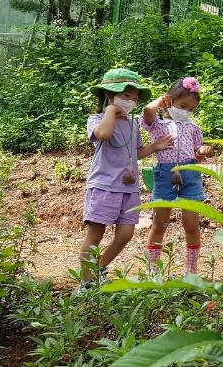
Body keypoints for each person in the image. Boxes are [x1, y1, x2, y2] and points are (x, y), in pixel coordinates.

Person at [79, 68, 172, 290]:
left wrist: (155, 146)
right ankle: (85, 282)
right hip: (103, 186)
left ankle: (97, 271)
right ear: (109, 95)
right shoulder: (97, 119)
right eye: (125, 96)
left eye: (135, 98)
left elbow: (136, 152)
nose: (131, 101)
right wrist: (110, 111)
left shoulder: (132, 124)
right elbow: (103, 135)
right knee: (96, 233)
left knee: (125, 234)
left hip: (128, 188)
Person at [142, 77, 214, 276]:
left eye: (191, 109)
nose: (187, 111)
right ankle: (153, 269)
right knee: (160, 223)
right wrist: (159, 101)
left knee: (191, 224)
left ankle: (191, 269)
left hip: (190, 176)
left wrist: (202, 150)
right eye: (183, 106)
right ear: (170, 101)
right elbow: (147, 112)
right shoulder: (158, 125)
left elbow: (196, 152)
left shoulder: (193, 128)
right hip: (166, 175)